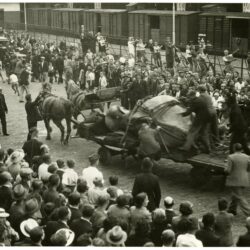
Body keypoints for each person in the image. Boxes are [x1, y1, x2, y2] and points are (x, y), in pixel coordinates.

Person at [225, 143, 250, 216]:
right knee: (236, 194)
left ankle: (248, 212)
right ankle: (232, 209)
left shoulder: (231, 157)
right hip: (244, 178)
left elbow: (228, 170)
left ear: (234, 148)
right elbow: (249, 168)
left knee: (239, 196)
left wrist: (225, 168)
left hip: (235, 180)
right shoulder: (247, 157)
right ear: (242, 149)